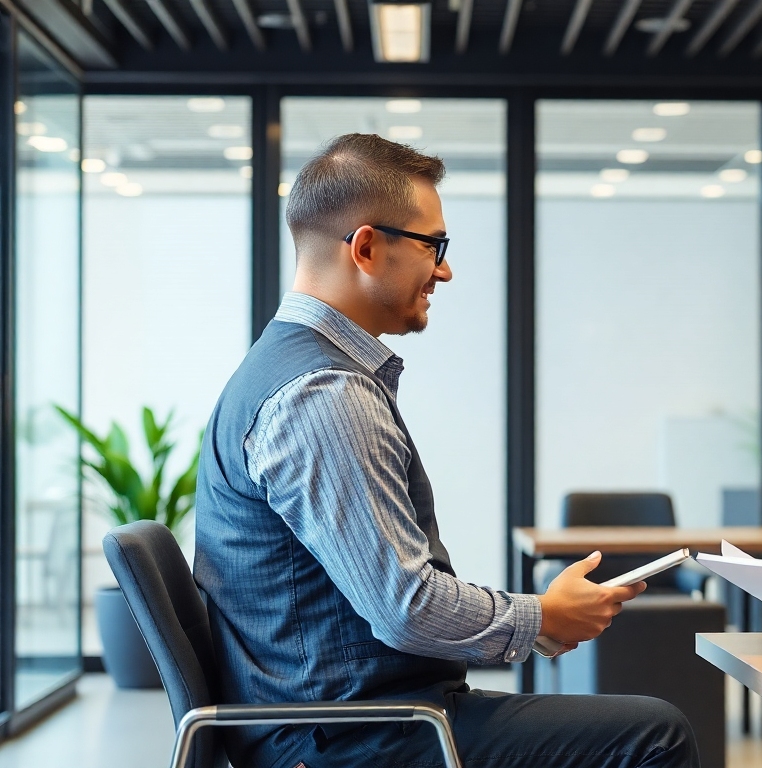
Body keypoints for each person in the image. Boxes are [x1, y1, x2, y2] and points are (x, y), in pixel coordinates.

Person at [194, 134, 698, 768]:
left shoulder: (285, 369)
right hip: (353, 737)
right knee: (655, 735)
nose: (445, 270)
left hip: (347, 720)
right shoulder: (322, 396)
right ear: (367, 247)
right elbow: (404, 608)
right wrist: (540, 616)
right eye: (433, 246)